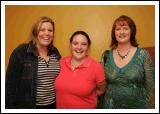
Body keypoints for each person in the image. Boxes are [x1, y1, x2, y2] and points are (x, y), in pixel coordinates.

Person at [98, 15, 155, 109]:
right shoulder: (106, 55)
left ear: (131, 31)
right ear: (114, 33)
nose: (122, 32)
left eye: (125, 28)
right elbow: (102, 86)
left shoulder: (143, 54)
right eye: (118, 29)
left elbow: (152, 87)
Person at [5, 16, 61, 109]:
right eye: (42, 30)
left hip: (53, 105)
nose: (46, 33)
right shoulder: (21, 51)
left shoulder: (55, 52)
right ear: (35, 32)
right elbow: (10, 85)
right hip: (30, 106)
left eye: (50, 30)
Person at [55, 31, 106, 109]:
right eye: (75, 43)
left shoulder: (96, 67)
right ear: (70, 45)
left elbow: (101, 89)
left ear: (88, 47)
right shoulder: (61, 62)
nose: (79, 47)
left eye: (83, 44)